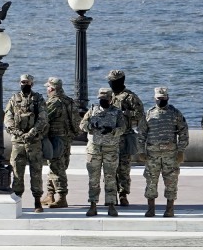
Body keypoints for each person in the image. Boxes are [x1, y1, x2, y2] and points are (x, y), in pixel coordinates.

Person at [138, 86, 189, 218]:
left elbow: (183, 132)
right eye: (159, 98)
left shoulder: (175, 113)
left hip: (170, 155)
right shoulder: (149, 114)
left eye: (163, 98)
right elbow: (141, 133)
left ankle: (169, 209)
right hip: (152, 155)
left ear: (168, 98)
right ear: (155, 99)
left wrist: (181, 151)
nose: (161, 100)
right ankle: (151, 209)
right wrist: (141, 151)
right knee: (151, 181)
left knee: (171, 182)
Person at [4, 73, 49, 212]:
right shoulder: (13, 99)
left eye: (27, 82)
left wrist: (31, 133)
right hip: (18, 142)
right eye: (23, 82)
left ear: (32, 84)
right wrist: (19, 133)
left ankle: (37, 201)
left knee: (36, 172)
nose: (25, 85)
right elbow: (8, 118)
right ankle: (18, 199)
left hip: (34, 141)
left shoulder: (38, 99)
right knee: (17, 172)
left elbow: (43, 119)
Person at [80, 88, 123, 217]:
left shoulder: (117, 112)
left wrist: (112, 130)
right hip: (94, 150)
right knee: (93, 179)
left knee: (110, 178)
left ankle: (111, 205)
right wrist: (91, 127)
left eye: (105, 99)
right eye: (101, 99)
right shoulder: (92, 111)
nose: (102, 101)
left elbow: (123, 128)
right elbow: (82, 125)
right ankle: (93, 205)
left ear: (110, 99)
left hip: (110, 150)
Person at [106, 69, 144, 207]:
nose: (110, 84)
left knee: (123, 167)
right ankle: (110, 195)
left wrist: (125, 113)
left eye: (112, 81)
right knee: (110, 168)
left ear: (119, 81)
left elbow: (140, 116)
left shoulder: (130, 97)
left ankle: (123, 194)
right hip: (110, 137)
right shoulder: (108, 96)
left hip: (124, 137)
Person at [42, 78, 78, 210]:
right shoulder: (69, 100)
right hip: (67, 138)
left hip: (56, 138)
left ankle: (62, 197)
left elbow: (44, 118)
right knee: (56, 166)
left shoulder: (54, 102)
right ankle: (49, 194)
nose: (47, 90)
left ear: (51, 88)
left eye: (48, 87)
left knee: (57, 167)